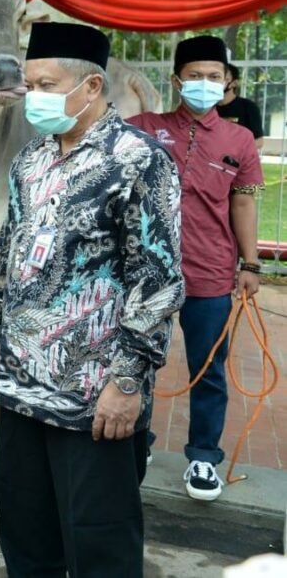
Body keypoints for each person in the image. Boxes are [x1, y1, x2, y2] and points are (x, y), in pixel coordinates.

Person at [0, 22, 184, 577]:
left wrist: (126, 381)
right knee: (25, 536)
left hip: (94, 401)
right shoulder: (30, 161)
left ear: (91, 87)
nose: (33, 96)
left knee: (100, 549)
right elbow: (9, 252)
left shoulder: (139, 161)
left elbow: (157, 281)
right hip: (21, 389)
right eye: (31, 84)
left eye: (47, 84)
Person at [128, 35, 263, 502]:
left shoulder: (239, 139)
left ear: (226, 82)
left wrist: (250, 264)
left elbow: (243, 206)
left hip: (210, 274)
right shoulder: (142, 127)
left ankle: (203, 458)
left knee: (210, 369)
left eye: (213, 76)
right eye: (194, 75)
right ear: (176, 80)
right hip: (147, 274)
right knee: (137, 361)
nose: (203, 83)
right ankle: (134, 443)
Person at [217, 62, 265, 150]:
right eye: (215, 77)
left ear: (234, 83)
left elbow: (258, 141)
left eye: (223, 78)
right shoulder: (207, 107)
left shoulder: (248, 107)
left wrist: (234, 151)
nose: (217, 82)